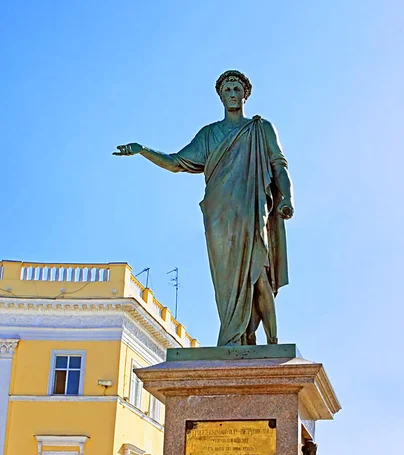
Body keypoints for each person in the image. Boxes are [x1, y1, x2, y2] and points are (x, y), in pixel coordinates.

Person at [114, 70, 294, 347]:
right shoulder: (209, 134)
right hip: (219, 214)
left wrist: (286, 197)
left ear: (245, 94)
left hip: (251, 208)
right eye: (227, 90)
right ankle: (235, 336)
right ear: (220, 96)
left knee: (259, 273)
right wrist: (142, 150)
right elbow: (176, 162)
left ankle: (272, 341)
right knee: (226, 281)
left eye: (237, 89)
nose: (232, 94)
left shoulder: (260, 128)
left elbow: (279, 165)